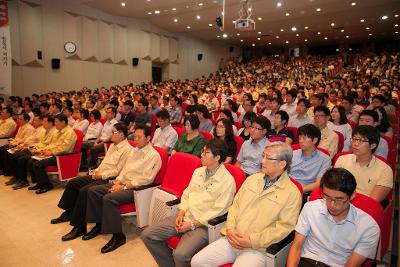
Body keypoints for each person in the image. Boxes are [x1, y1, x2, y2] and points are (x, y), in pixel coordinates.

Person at [191, 142, 302, 267]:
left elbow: (283, 228)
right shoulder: (252, 179)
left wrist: (252, 241)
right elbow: (235, 206)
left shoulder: (292, 193)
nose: (262, 161)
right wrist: (231, 229)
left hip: (258, 249)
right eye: (263, 156)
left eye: (268, 158)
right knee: (197, 262)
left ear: (282, 164)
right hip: (232, 238)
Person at [142, 138, 236, 267]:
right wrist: (181, 212)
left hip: (203, 225)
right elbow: (186, 194)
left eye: (206, 153)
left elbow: (218, 211)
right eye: (202, 151)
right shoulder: (199, 171)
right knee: (147, 235)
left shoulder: (227, 181)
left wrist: (192, 224)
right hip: (186, 215)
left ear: (217, 157)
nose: (201, 155)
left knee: (180, 255)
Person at [85, 125, 161, 253]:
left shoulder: (154, 156)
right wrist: (118, 182)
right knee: (93, 191)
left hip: (136, 190)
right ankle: (99, 225)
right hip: (122, 184)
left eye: (139, 137)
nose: (135, 140)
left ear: (148, 138)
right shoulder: (134, 151)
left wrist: (124, 186)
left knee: (109, 199)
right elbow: (124, 170)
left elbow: (146, 179)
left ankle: (118, 236)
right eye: (135, 136)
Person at [54, 123, 132, 241]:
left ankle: (80, 227)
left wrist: (101, 175)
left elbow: (118, 170)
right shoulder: (112, 146)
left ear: (121, 135)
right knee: (73, 183)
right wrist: (95, 171)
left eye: (113, 132)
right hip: (99, 174)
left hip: (107, 178)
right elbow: (104, 163)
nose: (111, 135)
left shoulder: (127, 150)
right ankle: (69, 212)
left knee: (84, 191)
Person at [287, 168, 380, 267]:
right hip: (307, 261)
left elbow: (352, 265)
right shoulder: (311, 208)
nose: (332, 205)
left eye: (339, 199)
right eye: (327, 197)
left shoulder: (368, 227)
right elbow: (296, 246)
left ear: (352, 195)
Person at [334, 125, 393, 203]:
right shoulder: (342, 159)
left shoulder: (385, 170)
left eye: (361, 140)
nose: (355, 144)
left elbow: (372, 202)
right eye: (354, 139)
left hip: (365, 209)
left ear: (372, 146)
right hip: (339, 203)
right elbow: (333, 187)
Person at [28, 113, 77, 194]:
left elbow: (64, 148)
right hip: (53, 153)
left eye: (57, 122)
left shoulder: (70, 133)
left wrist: (51, 153)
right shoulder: (58, 131)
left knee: (37, 164)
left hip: (61, 157)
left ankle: (47, 185)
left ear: (63, 122)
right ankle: (40, 183)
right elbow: (53, 144)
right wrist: (44, 150)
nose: (55, 124)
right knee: (31, 161)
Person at [5, 115, 55, 189]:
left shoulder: (48, 131)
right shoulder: (45, 130)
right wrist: (28, 147)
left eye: (44, 121)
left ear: (50, 123)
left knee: (21, 159)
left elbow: (48, 145)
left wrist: (34, 148)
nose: (42, 123)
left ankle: (23, 181)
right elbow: (39, 142)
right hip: (35, 148)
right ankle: (17, 177)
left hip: (41, 150)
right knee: (13, 155)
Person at [289, 124, 331, 193]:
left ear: (315, 140)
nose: (300, 141)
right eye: (299, 138)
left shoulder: (325, 159)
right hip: (286, 187)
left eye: (304, 138)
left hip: (303, 192)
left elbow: (318, 184)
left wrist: (297, 191)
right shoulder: (293, 153)